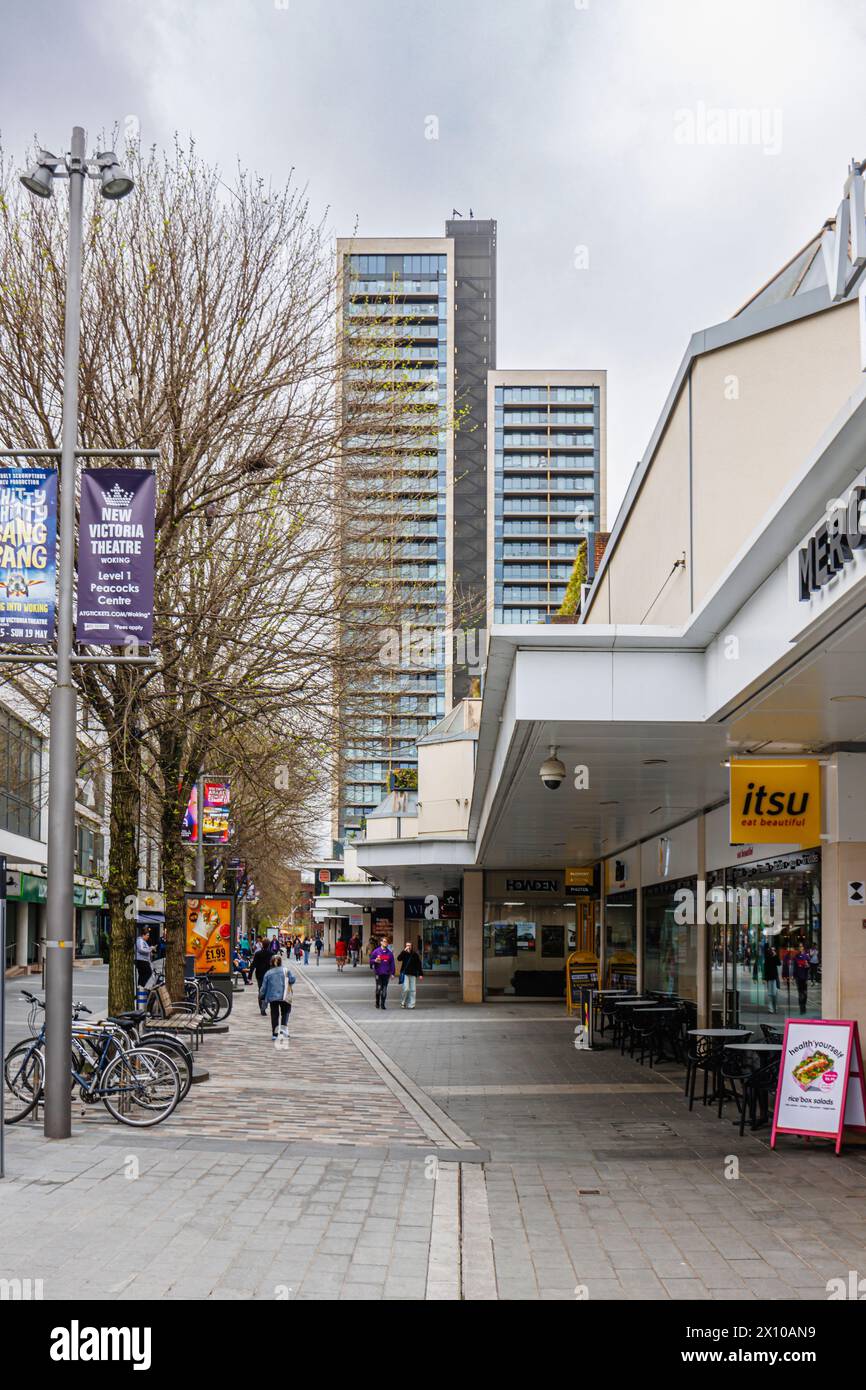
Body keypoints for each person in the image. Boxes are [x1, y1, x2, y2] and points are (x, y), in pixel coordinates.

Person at [259, 952, 296, 1039]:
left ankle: (274, 1034)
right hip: (285, 996)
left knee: (274, 1015)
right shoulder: (286, 970)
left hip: (272, 997)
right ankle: (283, 1031)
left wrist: (261, 995)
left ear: (271, 963)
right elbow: (292, 980)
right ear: (281, 962)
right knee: (285, 1013)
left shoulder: (268, 973)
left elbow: (263, 987)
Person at [396, 940, 423, 1010]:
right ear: (405, 946)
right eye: (407, 945)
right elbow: (398, 959)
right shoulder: (404, 953)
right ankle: (403, 1002)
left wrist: (420, 974)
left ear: (411, 946)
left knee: (413, 990)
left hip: (413, 974)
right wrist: (403, 951)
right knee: (406, 989)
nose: (408, 947)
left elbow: (418, 964)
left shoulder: (415, 954)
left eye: (409, 945)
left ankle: (412, 1004)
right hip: (405, 974)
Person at [370, 938, 396, 1009]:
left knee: (384, 989)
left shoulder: (389, 953)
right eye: (384, 941)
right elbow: (371, 961)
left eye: (386, 942)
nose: (385, 943)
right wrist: (375, 960)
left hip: (386, 973)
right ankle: (377, 1002)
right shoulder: (376, 951)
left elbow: (392, 964)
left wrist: (393, 973)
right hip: (378, 973)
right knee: (378, 988)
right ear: (381, 942)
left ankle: (383, 1004)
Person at [251, 937, 272, 1013]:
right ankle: (265, 1005)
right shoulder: (272, 954)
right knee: (267, 991)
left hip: (259, 975)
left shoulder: (257, 954)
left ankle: (262, 1008)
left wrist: (249, 976)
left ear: (262, 945)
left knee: (261, 990)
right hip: (269, 975)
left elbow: (253, 965)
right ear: (269, 945)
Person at [793, 946, 811, 1015]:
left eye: (802, 947)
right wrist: (794, 977)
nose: (801, 948)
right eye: (800, 947)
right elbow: (794, 968)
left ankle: (804, 1006)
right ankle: (801, 1008)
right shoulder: (796, 957)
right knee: (800, 993)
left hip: (805, 977)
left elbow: (809, 967)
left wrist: (807, 965)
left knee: (805, 993)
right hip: (798, 977)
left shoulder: (807, 956)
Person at [762, 943, 780, 1014]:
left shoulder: (775, 957)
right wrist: (764, 978)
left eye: (774, 950)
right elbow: (766, 969)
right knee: (770, 994)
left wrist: (775, 955)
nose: (772, 951)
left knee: (775, 993)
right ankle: (771, 1009)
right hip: (769, 978)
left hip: (775, 978)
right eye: (771, 950)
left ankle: (775, 1007)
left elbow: (779, 963)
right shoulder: (767, 958)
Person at [134, 927, 153, 991]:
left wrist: (149, 949)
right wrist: (150, 949)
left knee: (142, 974)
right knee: (148, 972)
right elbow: (141, 949)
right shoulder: (140, 940)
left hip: (143, 960)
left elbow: (144, 949)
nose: (148, 937)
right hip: (142, 960)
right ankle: (142, 985)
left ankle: (140, 986)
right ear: (143, 935)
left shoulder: (143, 941)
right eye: (147, 935)